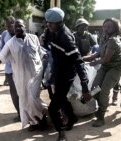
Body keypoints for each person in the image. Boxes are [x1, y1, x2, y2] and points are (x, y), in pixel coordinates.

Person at [0, 19, 47, 130]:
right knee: (25, 99)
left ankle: (44, 115)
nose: (17, 29)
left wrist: (46, 58)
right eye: (15, 27)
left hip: (36, 75)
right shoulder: (10, 43)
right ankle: (35, 122)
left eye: (20, 26)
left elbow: (40, 52)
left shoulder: (33, 38)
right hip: (21, 77)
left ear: (25, 26)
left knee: (33, 98)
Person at [44, 7, 91, 141]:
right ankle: (72, 118)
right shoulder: (51, 31)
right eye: (47, 23)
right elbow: (48, 44)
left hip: (66, 75)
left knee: (53, 107)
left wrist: (85, 87)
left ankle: (61, 133)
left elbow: (79, 62)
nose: (48, 25)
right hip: (56, 70)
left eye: (51, 23)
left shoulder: (66, 38)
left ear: (59, 23)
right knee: (60, 98)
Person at [83, 18, 121, 127]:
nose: (106, 29)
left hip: (116, 67)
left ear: (115, 28)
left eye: (109, 27)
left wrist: (93, 62)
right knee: (94, 88)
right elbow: (98, 53)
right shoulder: (103, 37)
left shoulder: (113, 40)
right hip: (106, 66)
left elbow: (105, 59)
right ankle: (102, 106)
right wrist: (84, 58)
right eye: (105, 26)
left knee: (104, 91)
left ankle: (101, 117)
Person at [0, 16, 20, 122]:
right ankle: (19, 113)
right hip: (9, 70)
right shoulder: (5, 34)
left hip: (21, 69)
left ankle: (27, 114)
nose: (9, 28)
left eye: (11, 25)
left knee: (24, 93)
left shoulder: (21, 33)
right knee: (13, 93)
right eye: (7, 26)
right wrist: (2, 55)